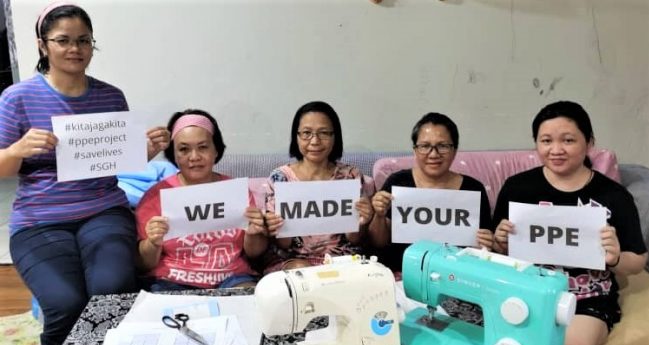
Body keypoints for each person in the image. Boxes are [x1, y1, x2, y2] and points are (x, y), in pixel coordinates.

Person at [0, 2, 170, 345]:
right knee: (64, 302)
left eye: (83, 40)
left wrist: (145, 150)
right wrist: (16, 150)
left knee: (111, 291)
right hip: (39, 220)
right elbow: (2, 168)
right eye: (63, 40)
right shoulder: (17, 98)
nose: (74, 48)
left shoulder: (110, 96)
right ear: (43, 45)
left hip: (103, 211)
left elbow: (118, 160)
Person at [492, 100, 648, 345]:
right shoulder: (517, 188)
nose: (556, 150)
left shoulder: (613, 196)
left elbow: (637, 260)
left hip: (586, 297)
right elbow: (497, 249)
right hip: (525, 291)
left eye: (568, 140)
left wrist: (615, 258)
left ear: (589, 142)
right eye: (546, 141)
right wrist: (499, 242)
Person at [136, 109, 268, 291]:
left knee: (251, 299)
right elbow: (143, 265)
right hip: (171, 280)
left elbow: (254, 253)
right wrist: (153, 243)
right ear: (173, 154)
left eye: (203, 147)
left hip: (232, 277)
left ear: (216, 150)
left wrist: (254, 233)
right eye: (184, 149)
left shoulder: (236, 191)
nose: (194, 157)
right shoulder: (156, 196)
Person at [368, 112, 493, 273]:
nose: (433, 154)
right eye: (425, 146)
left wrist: (486, 243)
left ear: (454, 150)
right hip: (402, 272)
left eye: (443, 146)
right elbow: (378, 243)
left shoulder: (473, 189)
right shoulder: (398, 182)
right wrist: (379, 215)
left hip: (456, 275)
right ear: (415, 150)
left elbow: (483, 246)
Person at [263, 101, 373, 271]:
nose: (315, 141)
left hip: (342, 262)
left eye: (324, 133)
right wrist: (277, 227)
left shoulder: (351, 176)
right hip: (294, 261)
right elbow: (283, 244)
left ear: (335, 137)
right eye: (306, 133)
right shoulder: (279, 178)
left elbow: (354, 239)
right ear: (296, 137)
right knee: (302, 270)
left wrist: (363, 222)